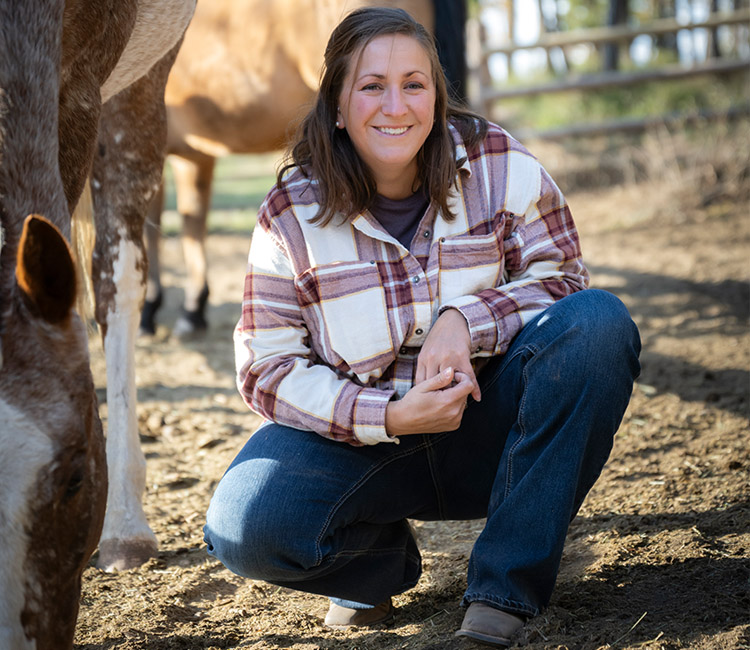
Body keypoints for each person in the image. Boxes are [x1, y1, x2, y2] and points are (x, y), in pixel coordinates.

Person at [204, 7, 641, 648]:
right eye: (371, 85)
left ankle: (503, 592)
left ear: (436, 98)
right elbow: (266, 368)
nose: (395, 106)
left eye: (414, 84)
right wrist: (390, 415)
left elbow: (563, 281)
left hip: (495, 426)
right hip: (363, 446)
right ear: (336, 105)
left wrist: (465, 318)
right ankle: (378, 564)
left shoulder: (498, 162)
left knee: (599, 325)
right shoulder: (290, 212)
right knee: (245, 524)